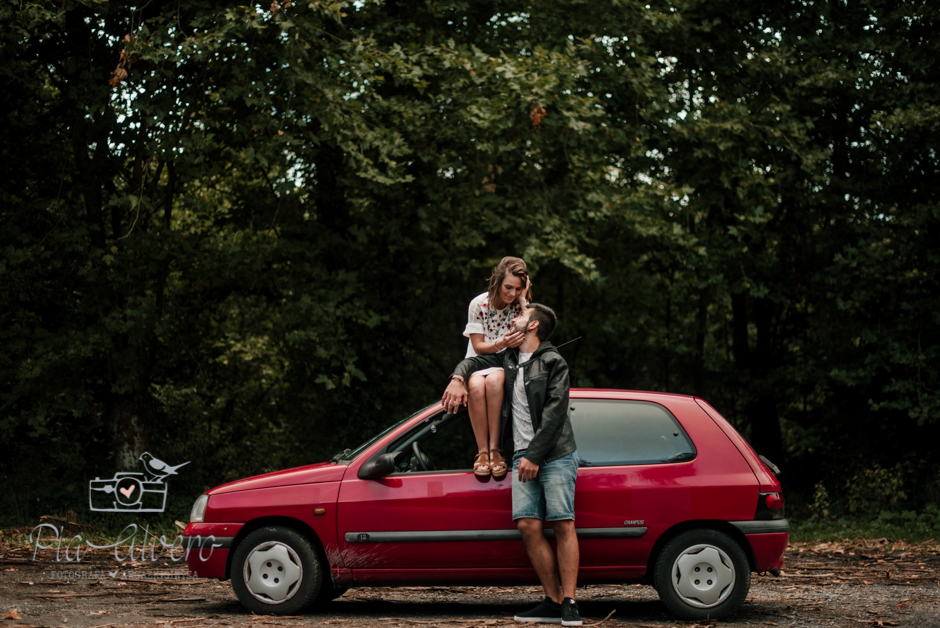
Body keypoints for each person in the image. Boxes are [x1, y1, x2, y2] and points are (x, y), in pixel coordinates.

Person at [442, 304, 582, 627]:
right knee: (528, 526)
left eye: (518, 317)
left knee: (562, 524)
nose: (511, 321)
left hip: (555, 454)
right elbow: (473, 360)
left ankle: (571, 602)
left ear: (531, 326)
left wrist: (535, 455)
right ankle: (552, 600)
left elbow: (555, 413)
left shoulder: (552, 362)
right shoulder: (507, 359)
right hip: (521, 456)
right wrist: (457, 377)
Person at [462, 257, 531, 478]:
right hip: (479, 359)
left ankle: (495, 449)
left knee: (493, 382)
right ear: (498, 282)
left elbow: (529, 334)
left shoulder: (518, 306)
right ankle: (481, 451)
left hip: (503, 363)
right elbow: (478, 347)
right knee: (474, 387)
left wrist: (523, 301)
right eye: (508, 287)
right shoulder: (478, 304)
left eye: (517, 289)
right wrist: (501, 343)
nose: (512, 293)